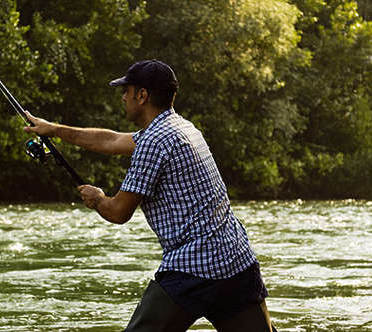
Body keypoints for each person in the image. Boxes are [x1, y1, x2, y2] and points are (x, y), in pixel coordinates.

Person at [22, 60, 276, 331]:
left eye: (127, 90)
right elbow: (111, 141)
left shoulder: (154, 143)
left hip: (191, 270)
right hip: (236, 262)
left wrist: (97, 198)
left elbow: (118, 212)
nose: (123, 96)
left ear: (141, 96)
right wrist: (54, 130)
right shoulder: (181, 128)